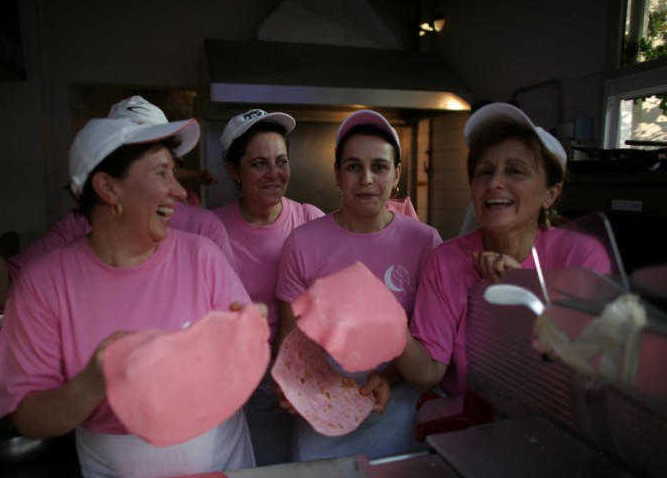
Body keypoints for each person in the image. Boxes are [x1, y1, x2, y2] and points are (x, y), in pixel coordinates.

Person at [0, 115, 257, 477]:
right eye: (161, 173)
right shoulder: (44, 284)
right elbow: (28, 418)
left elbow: (243, 357)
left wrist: (242, 343)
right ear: (108, 188)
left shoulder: (202, 256)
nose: (179, 191)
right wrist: (94, 381)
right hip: (116, 467)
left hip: (220, 455)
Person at [397, 102, 614, 397]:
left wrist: (527, 303)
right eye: (484, 171)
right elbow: (427, 376)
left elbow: (592, 379)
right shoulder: (446, 261)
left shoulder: (580, 257)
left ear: (551, 193)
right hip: (464, 424)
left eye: (515, 170)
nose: (495, 182)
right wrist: (392, 330)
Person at [273, 109, 443, 461]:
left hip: (394, 410)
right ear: (337, 174)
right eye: (353, 166)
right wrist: (292, 385)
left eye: (379, 167)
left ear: (396, 174)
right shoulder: (303, 243)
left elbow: (429, 348)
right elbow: (291, 338)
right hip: (321, 415)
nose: (366, 178)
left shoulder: (424, 242)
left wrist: (391, 376)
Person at [0, 96, 236, 311]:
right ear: (107, 182)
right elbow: (4, 291)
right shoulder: (76, 230)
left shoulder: (203, 234)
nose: (175, 191)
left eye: (166, 165)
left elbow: (233, 324)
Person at [211, 109, 324, 466]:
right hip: (241, 378)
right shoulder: (213, 231)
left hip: (305, 369)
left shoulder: (309, 219)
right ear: (234, 169)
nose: (274, 174)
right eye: (259, 163)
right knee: (260, 465)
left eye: (281, 161)